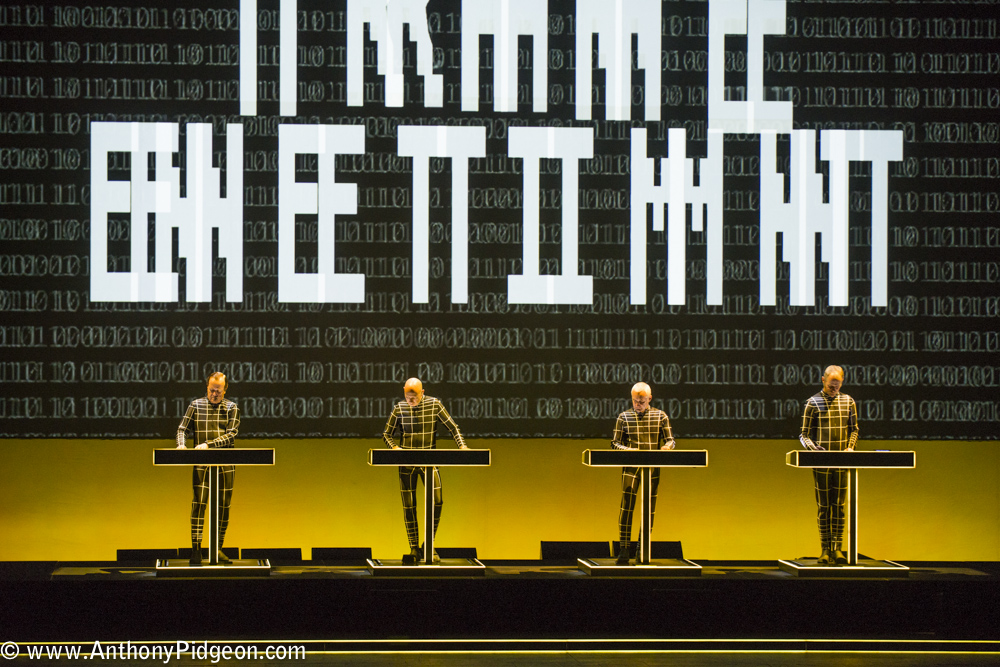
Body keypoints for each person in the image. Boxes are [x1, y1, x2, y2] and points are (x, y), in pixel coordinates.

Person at [382, 377, 467, 564]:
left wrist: (462, 447)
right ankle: (413, 547)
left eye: (414, 397)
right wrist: (394, 448)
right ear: (404, 391)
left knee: (437, 501)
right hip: (407, 463)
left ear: (422, 392)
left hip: (430, 460)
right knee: (409, 506)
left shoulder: (435, 404)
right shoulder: (399, 408)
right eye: (407, 396)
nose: (410, 401)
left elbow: (453, 428)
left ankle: (428, 544)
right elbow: (387, 434)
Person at [176, 372, 240, 565]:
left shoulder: (231, 407)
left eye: (218, 391)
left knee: (223, 506)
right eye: (212, 390)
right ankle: (196, 549)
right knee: (199, 503)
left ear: (225, 390)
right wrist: (181, 445)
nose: (214, 394)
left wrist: (209, 445)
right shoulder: (196, 405)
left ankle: (217, 548)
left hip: (225, 463)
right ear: (207, 388)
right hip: (202, 463)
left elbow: (231, 435)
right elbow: (182, 429)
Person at [799, 365, 859, 565]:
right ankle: (825, 548)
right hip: (822, 462)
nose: (834, 389)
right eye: (831, 385)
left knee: (839, 506)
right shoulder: (813, 402)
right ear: (823, 380)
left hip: (842, 461)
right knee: (824, 506)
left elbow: (854, 430)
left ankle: (838, 548)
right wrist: (813, 449)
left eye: (838, 385)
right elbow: (804, 434)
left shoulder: (848, 401)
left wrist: (850, 448)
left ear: (842, 382)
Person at [611, 382, 676, 565]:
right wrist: (627, 450)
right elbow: (614, 443)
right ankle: (624, 549)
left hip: (652, 468)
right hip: (631, 467)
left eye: (641, 401)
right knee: (627, 506)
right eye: (634, 401)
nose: (637, 404)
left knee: (649, 509)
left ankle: (642, 548)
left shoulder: (660, 416)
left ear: (649, 398)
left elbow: (671, 440)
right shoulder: (624, 417)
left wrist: (666, 447)